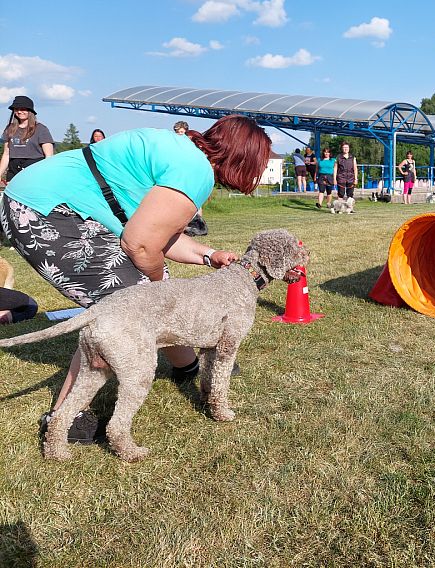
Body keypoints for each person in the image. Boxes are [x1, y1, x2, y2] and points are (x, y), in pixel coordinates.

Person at [0, 114, 272, 442]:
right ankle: (66, 418)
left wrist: (207, 254)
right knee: (129, 306)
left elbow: (154, 234)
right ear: (243, 157)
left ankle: (187, 367)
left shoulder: (181, 152)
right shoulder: (195, 171)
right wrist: (159, 287)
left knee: (150, 291)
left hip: (37, 198)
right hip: (43, 210)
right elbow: (141, 245)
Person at [0, 96, 54, 183]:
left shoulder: (41, 129)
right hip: (13, 171)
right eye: (17, 109)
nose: (19, 111)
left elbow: (49, 156)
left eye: (23, 109)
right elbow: (6, 154)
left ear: (30, 111)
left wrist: (46, 175)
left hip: (34, 171)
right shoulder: (9, 129)